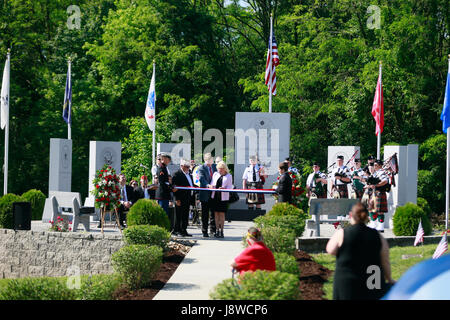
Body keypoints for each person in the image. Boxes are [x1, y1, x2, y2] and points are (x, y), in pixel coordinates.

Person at [326, 202, 395, 300]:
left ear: (351, 215)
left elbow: (330, 250)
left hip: (347, 282)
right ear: (367, 216)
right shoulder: (377, 236)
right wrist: (389, 278)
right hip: (372, 281)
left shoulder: (342, 233)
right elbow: (385, 260)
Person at [208, 161, 233, 238]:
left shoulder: (229, 176)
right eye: (218, 169)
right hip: (215, 196)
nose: (219, 170)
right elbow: (212, 183)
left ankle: (221, 231)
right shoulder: (215, 174)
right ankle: (216, 230)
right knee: (216, 214)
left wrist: (224, 188)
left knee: (222, 214)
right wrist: (211, 186)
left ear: (225, 169)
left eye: (221, 169)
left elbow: (230, 188)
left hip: (223, 197)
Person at [172, 159, 194, 237]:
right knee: (178, 215)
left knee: (185, 215)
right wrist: (177, 199)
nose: (188, 168)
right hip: (180, 198)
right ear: (181, 166)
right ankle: (177, 230)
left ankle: (183, 230)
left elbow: (191, 185)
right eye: (186, 167)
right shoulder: (177, 174)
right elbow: (174, 188)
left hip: (187, 198)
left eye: (189, 167)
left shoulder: (189, 174)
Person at [366, 160, 390, 232]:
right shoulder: (375, 173)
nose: (374, 166)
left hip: (380, 192)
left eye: (376, 165)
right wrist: (369, 185)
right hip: (374, 192)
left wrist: (376, 185)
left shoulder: (382, 172)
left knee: (380, 211)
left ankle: (381, 226)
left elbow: (385, 181)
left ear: (380, 165)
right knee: (370, 208)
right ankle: (373, 224)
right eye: (374, 165)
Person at [198, 153, 217, 237]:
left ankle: (213, 230)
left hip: (214, 194)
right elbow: (201, 179)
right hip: (205, 194)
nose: (212, 160)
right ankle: (204, 231)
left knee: (213, 213)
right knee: (205, 214)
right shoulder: (201, 168)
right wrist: (208, 185)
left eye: (212, 159)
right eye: (210, 159)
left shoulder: (214, 166)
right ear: (206, 159)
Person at [155, 153, 173, 220]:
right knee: (162, 213)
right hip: (162, 194)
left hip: (165, 194)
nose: (169, 161)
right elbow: (162, 182)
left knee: (165, 213)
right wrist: (170, 187)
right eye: (168, 159)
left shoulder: (165, 168)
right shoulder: (161, 168)